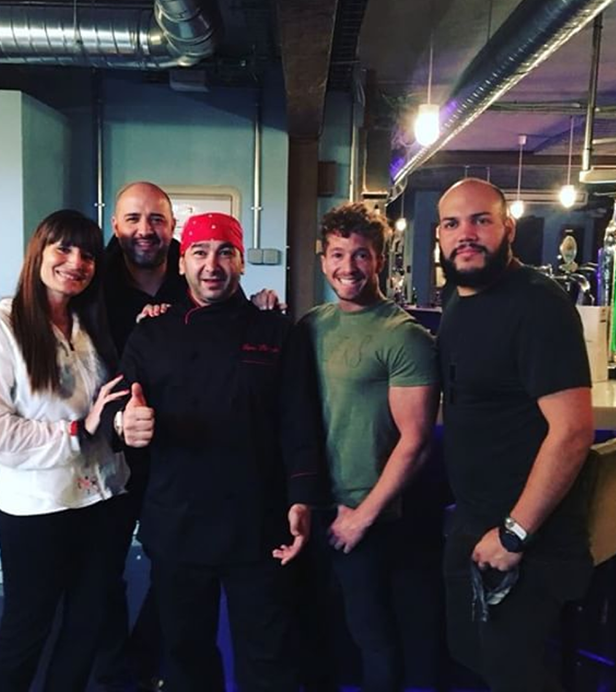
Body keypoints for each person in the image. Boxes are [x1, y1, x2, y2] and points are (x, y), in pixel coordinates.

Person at [110, 211, 321, 692]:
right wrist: (124, 422)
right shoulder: (151, 332)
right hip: (177, 521)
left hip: (259, 524)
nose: (212, 265)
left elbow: (299, 422)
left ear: (241, 262)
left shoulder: (275, 331)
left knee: (269, 656)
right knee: (184, 656)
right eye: (200, 253)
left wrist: (302, 499)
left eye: (225, 252)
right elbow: (115, 405)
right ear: (181, 262)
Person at [436, 178, 594, 692]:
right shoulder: (459, 299)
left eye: (480, 220)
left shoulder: (537, 304)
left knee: (516, 677)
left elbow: (573, 430)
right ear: (439, 236)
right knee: (470, 657)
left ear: (508, 228)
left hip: (530, 540)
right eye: (452, 223)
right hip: (475, 523)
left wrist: (514, 534)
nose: (466, 234)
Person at [0, 210, 130, 692]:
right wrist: (77, 430)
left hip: (102, 501)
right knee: (26, 631)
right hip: (38, 512)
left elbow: (108, 406)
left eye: (88, 255)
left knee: (85, 628)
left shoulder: (89, 323)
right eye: (64, 249)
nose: (76, 262)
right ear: (38, 251)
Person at [299, 202, 441, 692]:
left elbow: (416, 441)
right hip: (314, 507)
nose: (348, 267)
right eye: (338, 254)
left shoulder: (405, 337)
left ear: (379, 258)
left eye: (361, 254)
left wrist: (362, 517)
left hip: (368, 516)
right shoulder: (311, 325)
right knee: (315, 635)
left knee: (372, 638)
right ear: (323, 259)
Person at [95, 181, 185, 692]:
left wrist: (261, 306)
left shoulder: (192, 274)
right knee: (101, 569)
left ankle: (146, 660)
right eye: (133, 219)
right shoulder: (93, 282)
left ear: (171, 226)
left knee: (175, 564)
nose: (145, 230)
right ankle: (113, 671)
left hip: (177, 450)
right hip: (104, 450)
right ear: (116, 225)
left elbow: (226, 321)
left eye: (156, 219)